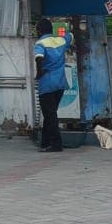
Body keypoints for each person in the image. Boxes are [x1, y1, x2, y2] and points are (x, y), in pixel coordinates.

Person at [33, 18, 72, 152]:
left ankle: (56, 144)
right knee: (50, 113)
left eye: (36, 29)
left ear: (39, 30)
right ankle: (45, 143)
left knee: (50, 115)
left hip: (47, 84)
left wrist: (39, 73)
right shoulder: (60, 40)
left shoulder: (40, 43)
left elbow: (39, 57)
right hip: (60, 83)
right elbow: (70, 35)